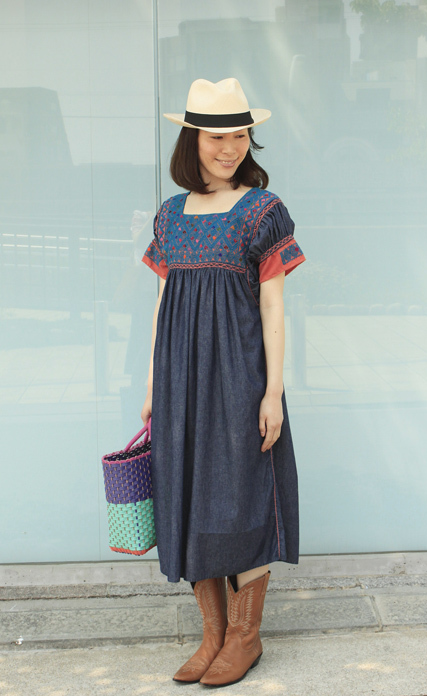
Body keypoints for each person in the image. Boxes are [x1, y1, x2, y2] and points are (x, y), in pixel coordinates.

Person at [140, 77, 305, 688]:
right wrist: (153, 386)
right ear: (192, 140)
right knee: (188, 495)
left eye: (239, 136)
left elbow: (273, 305)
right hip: (178, 379)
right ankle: (211, 636)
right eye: (216, 137)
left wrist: (272, 391)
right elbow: (162, 303)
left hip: (240, 377)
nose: (230, 148)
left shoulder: (262, 211)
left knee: (240, 498)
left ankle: (244, 638)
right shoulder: (170, 215)